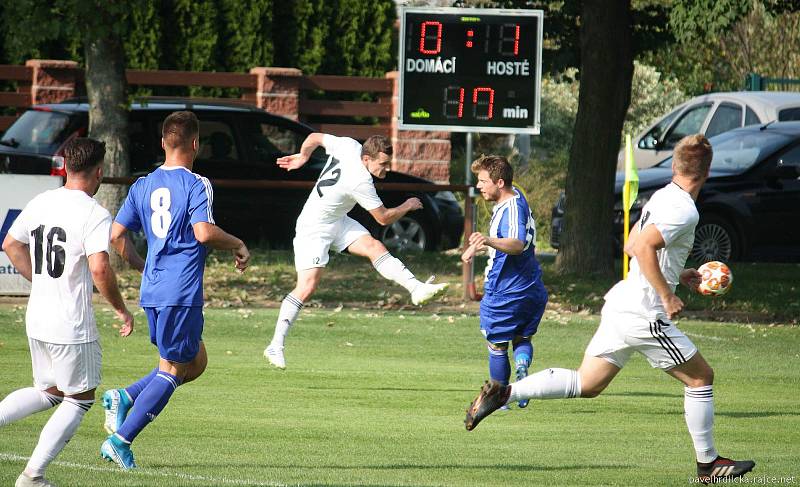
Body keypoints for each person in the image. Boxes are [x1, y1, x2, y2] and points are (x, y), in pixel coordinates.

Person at [464, 135, 755, 484]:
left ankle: (504, 393)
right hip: (645, 313)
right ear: (706, 171)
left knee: (587, 383)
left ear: (675, 166)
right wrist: (667, 294)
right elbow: (641, 247)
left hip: (622, 305)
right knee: (700, 378)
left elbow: (635, 242)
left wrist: (679, 273)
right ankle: (708, 464)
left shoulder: (664, 195)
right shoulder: (685, 209)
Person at [99, 111, 250, 469]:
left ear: (164, 143)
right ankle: (121, 440)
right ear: (195, 144)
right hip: (180, 291)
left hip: (153, 291)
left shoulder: (142, 184)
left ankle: (124, 396)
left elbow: (117, 236)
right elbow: (203, 232)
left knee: (195, 361)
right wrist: (238, 243)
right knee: (173, 369)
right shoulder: (198, 183)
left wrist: (142, 265)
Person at [0, 138, 134, 487]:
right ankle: (33, 476)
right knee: (80, 400)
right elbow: (101, 270)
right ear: (99, 172)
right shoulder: (94, 212)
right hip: (69, 324)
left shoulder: (43, 200)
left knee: (49, 391)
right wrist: (122, 309)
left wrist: (40, 279)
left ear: (67, 167)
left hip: (38, 317)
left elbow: (10, 244)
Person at [264, 133, 448, 369]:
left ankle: (416, 288)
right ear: (366, 159)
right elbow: (383, 218)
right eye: (382, 164)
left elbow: (313, 136)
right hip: (314, 227)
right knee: (306, 287)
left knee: (374, 247)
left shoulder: (349, 145)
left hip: (337, 220)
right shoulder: (361, 180)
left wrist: (304, 155)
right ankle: (275, 345)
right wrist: (407, 205)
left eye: (388, 163)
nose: (386, 169)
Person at [461, 155, 547, 409]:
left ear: (499, 182)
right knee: (521, 338)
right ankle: (522, 365)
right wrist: (478, 247)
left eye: (483, 181)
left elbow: (516, 243)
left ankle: (499, 398)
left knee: (496, 344)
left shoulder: (509, 210)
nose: (479, 186)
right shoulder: (516, 194)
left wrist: (488, 240)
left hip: (505, 290)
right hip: (532, 286)